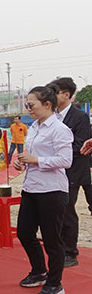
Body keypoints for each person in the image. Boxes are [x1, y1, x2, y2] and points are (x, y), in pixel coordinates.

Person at [14, 85, 72, 294]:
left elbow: (66, 160)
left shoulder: (59, 129)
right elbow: (33, 156)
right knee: (24, 232)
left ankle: (55, 283)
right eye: (27, 105)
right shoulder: (34, 127)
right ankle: (39, 270)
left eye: (31, 105)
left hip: (52, 190)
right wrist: (24, 163)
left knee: (51, 239)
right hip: (32, 187)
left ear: (47, 104)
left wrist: (36, 160)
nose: (28, 109)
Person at [48, 78, 91, 268]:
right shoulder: (51, 116)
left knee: (67, 211)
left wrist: (55, 153)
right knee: (58, 211)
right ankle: (61, 247)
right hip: (55, 170)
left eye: (55, 93)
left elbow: (80, 145)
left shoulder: (79, 117)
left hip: (74, 171)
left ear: (66, 94)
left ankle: (70, 252)